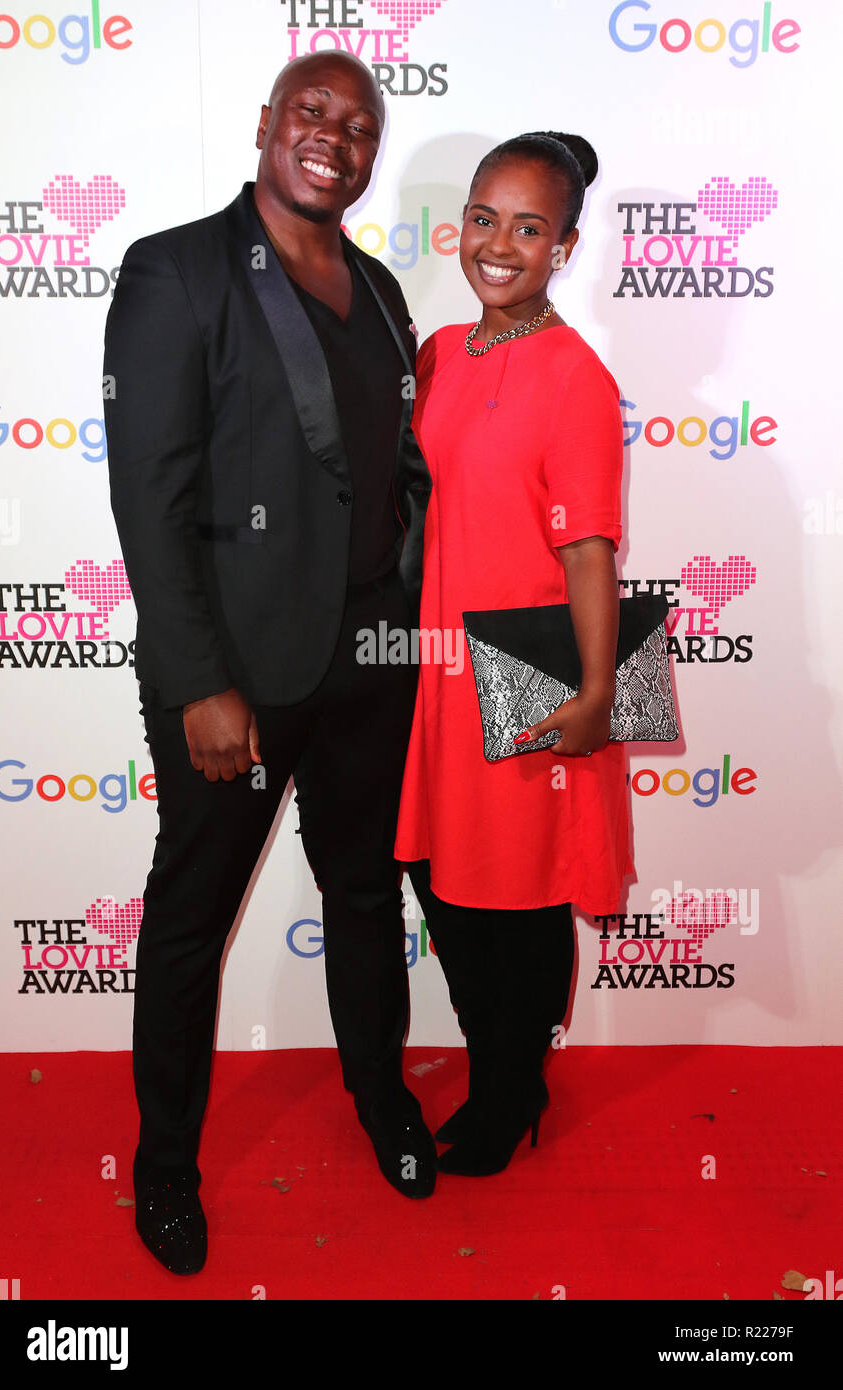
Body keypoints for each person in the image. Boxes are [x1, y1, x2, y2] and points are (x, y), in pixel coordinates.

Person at [103, 51, 435, 1275]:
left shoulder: (385, 288)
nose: (333, 138)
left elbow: (398, 481)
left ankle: (382, 1103)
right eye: (313, 111)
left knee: (362, 899)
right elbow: (151, 491)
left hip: (367, 664)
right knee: (191, 922)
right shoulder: (176, 270)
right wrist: (198, 681)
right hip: (231, 676)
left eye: (358, 126)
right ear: (264, 123)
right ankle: (165, 1172)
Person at [395, 131, 633, 1176]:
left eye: (528, 227)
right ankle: (502, 1055)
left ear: (564, 246)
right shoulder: (440, 350)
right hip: (433, 666)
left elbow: (588, 550)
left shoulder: (576, 378)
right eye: (483, 218)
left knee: (521, 893)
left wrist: (591, 690)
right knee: (435, 873)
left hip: (524, 667)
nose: (498, 244)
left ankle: (507, 1087)